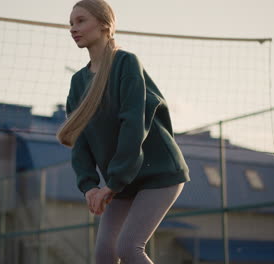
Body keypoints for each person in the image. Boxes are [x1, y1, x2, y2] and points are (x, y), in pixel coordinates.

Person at [57, 0, 190, 263]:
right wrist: (89, 187)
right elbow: (81, 140)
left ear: (105, 25)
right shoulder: (78, 82)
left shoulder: (126, 63)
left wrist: (113, 182)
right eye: (71, 24)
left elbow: (133, 125)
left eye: (81, 21)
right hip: (121, 181)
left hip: (158, 173)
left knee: (129, 248)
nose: (73, 28)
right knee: (105, 255)